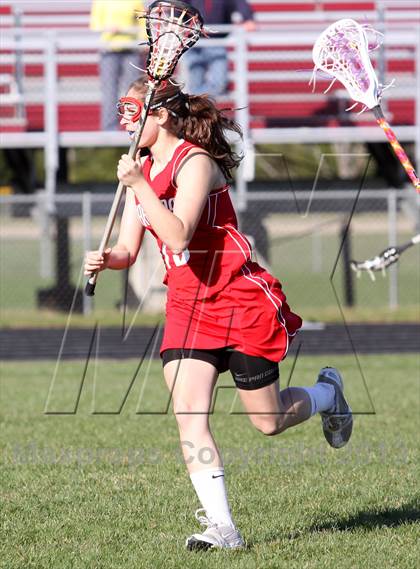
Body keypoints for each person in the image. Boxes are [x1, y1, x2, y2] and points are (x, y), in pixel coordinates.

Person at [84, 76, 353, 551]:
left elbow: (178, 235)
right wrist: (109, 259)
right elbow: (129, 247)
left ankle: (328, 394)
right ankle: (223, 528)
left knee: (268, 421)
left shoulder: (196, 163)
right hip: (187, 304)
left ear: (161, 115)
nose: (124, 123)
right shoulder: (140, 171)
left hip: (237, 298)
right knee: (189, 416)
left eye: (133, 112)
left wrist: (140, 185)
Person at [90, 0, 146, 130]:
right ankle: (109, 128)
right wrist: (108, 28)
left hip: (131, 50)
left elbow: (143, 22)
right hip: (109, 50)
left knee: (134, 91)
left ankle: (135, 124)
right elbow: (95, 24)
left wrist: (143, 40)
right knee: (109, 91)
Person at [182, 0, 256, 96]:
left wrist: (248, 18)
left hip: (217, 43)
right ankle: (196, 98)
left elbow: (239, 4)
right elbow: (178, 5)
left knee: (219, 85)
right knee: (194, 84)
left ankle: (197, 97)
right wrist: (176, 20)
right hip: (194, 43)